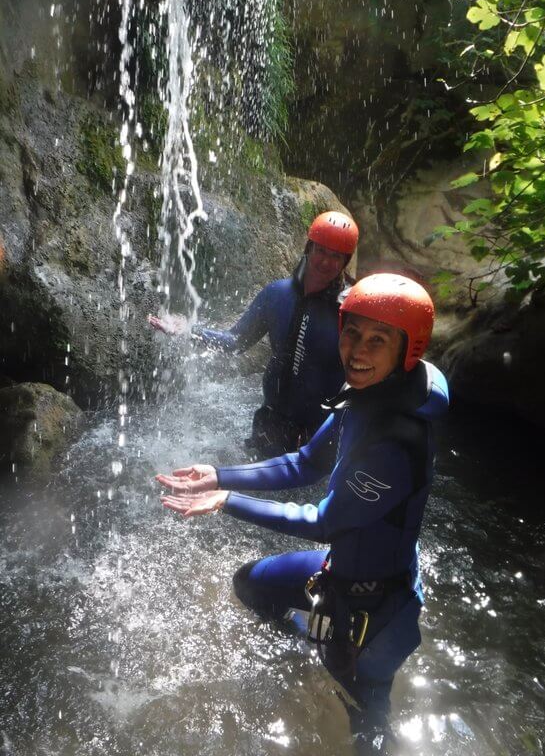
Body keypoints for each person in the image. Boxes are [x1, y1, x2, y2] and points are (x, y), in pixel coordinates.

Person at [156, 273, 449, 753]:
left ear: (407, 350)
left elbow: (324, 521)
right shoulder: (364, 396)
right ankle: (315, 646)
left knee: (369, 723)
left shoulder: (398, 442)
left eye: (378, 340)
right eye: (352, 332)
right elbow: (303, 462)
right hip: (338, 574)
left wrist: (228, 503)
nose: (357, 350)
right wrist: (219, 474)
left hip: (379, 609)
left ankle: (336, 657)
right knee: (251, 583)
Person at [148, 211, 359, 457]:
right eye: (321, 250)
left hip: (322, 434)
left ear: (345, 262)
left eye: (335, 256)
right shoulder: (277, 294)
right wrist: (188, 331)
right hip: (271, 423)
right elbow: (235, 342)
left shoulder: (352, 311)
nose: (325, 261)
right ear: (309, 248)